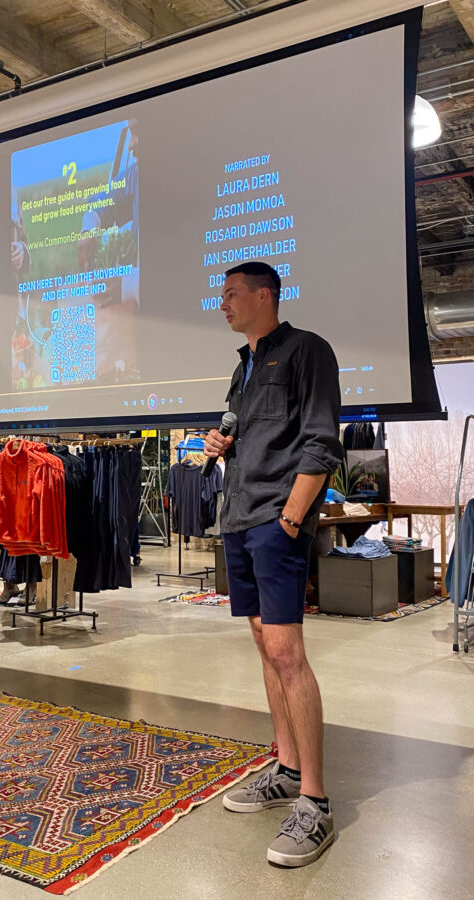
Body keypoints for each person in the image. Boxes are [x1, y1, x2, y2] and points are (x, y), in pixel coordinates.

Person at [204, 261, 343, 868]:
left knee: (288, 653)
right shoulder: (244, 366)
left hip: (274, 523)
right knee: (265, 647)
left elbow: (320, 441)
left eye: (231, 293)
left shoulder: (308, 351)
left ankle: (315, 803)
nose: (223, 303)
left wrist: (291, 518)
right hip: (239, 518)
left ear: (265, 295)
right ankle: (285, 769)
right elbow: (256, 435)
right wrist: (222, 446)